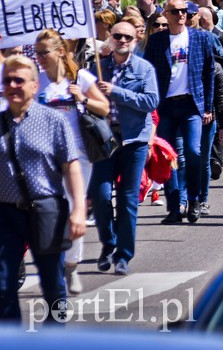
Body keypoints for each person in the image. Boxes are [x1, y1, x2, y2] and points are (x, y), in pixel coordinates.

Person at [0, 55, 86, 323]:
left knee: (53, 285)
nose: (12, 86)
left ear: (34, 86)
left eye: (19, 80)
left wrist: (79, 210)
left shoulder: (53, 120)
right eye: (7, 81)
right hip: (6, 214)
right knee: (3, 285)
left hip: (47, 211)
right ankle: (10, 339)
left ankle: (54, 337)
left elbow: (71, 166)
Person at [34, 29, 110, 294]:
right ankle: (55, 264)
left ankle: (71, 265)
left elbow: (104, 107)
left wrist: (83, 98)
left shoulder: (80, 77)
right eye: (37, 53)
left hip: (77, 157)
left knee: (72, 211)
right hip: (44, 156)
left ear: (60, 52)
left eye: (44, 52)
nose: (39, 58)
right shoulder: (35, 81)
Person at [89, 22, 159, 276]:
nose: (122, 40)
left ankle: (123, 255)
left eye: (128, 37)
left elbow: (151, 101)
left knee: (127, 198)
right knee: (100, 195)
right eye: (117, 36)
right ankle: (109, 243)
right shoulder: (98, 68)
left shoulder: (144, 68)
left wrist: (116, 92)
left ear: (135, 41)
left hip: (134, 139)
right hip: (105, 139)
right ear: (110, 38)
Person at [144, 0, 216, 224]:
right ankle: (175, 207)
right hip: (165, 106)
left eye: (184, 10)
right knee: (167, 157)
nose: (181, 14)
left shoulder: (201, 38)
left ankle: (194, 201)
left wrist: (208, 107)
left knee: (194, 152)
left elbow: (209, 73)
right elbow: (149, 74)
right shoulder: (156, 41)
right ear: (165, 15)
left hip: (191, 104)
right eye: (175, 11)